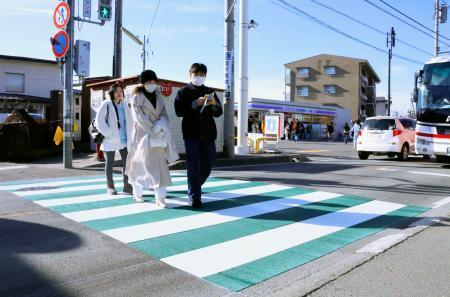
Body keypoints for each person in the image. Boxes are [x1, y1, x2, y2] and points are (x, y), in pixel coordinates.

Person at [126, 70, 179, 206]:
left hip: (158, 135)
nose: (152, 84)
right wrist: (153, 128)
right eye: (149, 82)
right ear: (143, 83)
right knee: (139, 165)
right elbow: (138, 117)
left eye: (154, 82)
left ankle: (160, 198)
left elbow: (164, 114)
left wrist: (161, 123)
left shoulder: (159, 97)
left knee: (160, 166)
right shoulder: (136, 97)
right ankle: (137, 193)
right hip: (141, 135)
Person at [174, 63, 223, 208]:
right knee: (193, 165)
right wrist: (195, 103)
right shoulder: (183, 92)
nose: (199, 77)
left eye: (202, 75)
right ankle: (195, 196)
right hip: (191, 134)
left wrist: (213, 103)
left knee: (207, 165)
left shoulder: (210, 91)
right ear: (190, 75)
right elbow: (179, 111)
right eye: (196, 75)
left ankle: (194, 186)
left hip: (208, 134)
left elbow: (218, 113)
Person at [95, 81, 133, 195]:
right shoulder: (106, 104)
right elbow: (99, 121)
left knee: (127, 163)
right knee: (110, 163)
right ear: (112, 92)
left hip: (124, 139)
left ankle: (127, 186)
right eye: (116, 91)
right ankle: (110, 187)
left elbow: (130, 121)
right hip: (110, 139)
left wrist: (131, 135)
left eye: (121, 91)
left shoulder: (125, 105)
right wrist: (108, 133)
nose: (119, 93)